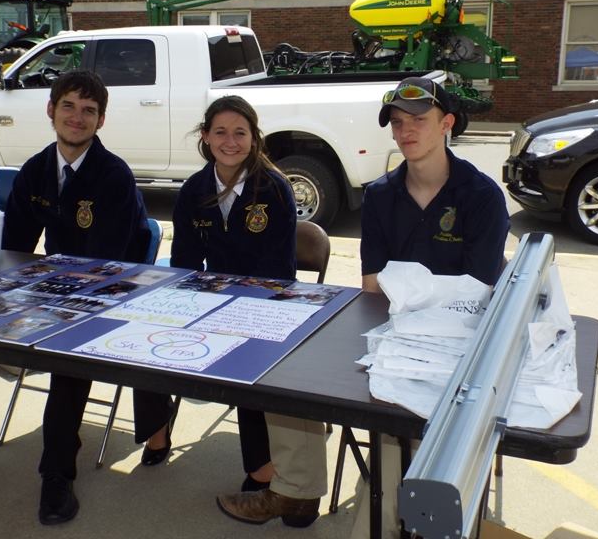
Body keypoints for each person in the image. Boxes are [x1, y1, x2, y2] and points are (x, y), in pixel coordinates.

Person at [0, 70, 175, 526]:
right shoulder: (37, 169)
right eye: (68, 106)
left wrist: (43, 298)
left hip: (109, 289)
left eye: (88, 110)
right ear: (51, 110)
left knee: (66, 349)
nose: (77, 118)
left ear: (101, 120)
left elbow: (105, 264)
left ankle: (57, 474)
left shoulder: (113, 176)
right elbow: (16, 247)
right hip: (50, 284)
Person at [351, 75, 510, 538]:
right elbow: (372, 286)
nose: (405, 131)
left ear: (447, 124)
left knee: (437, 448)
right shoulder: (380, 195)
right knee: (390, 447)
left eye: (418, 120)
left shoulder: (481, 197)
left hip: (461, 351)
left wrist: (410, 289)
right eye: (397, 122)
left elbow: (476, 294)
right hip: (397, 345)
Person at [163, 95, 325, 528]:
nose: (230, 141)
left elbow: (278, 272)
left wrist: (232, 312)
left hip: (265, 305)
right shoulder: (194, 190)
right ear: (205, 136)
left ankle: (264, 472)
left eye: (240, 132)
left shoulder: (273, 188)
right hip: (213, 302)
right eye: (220, 132)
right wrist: (188, 308)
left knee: (252, 359)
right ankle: (159, 437)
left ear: (254, 138)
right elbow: (184, 262)